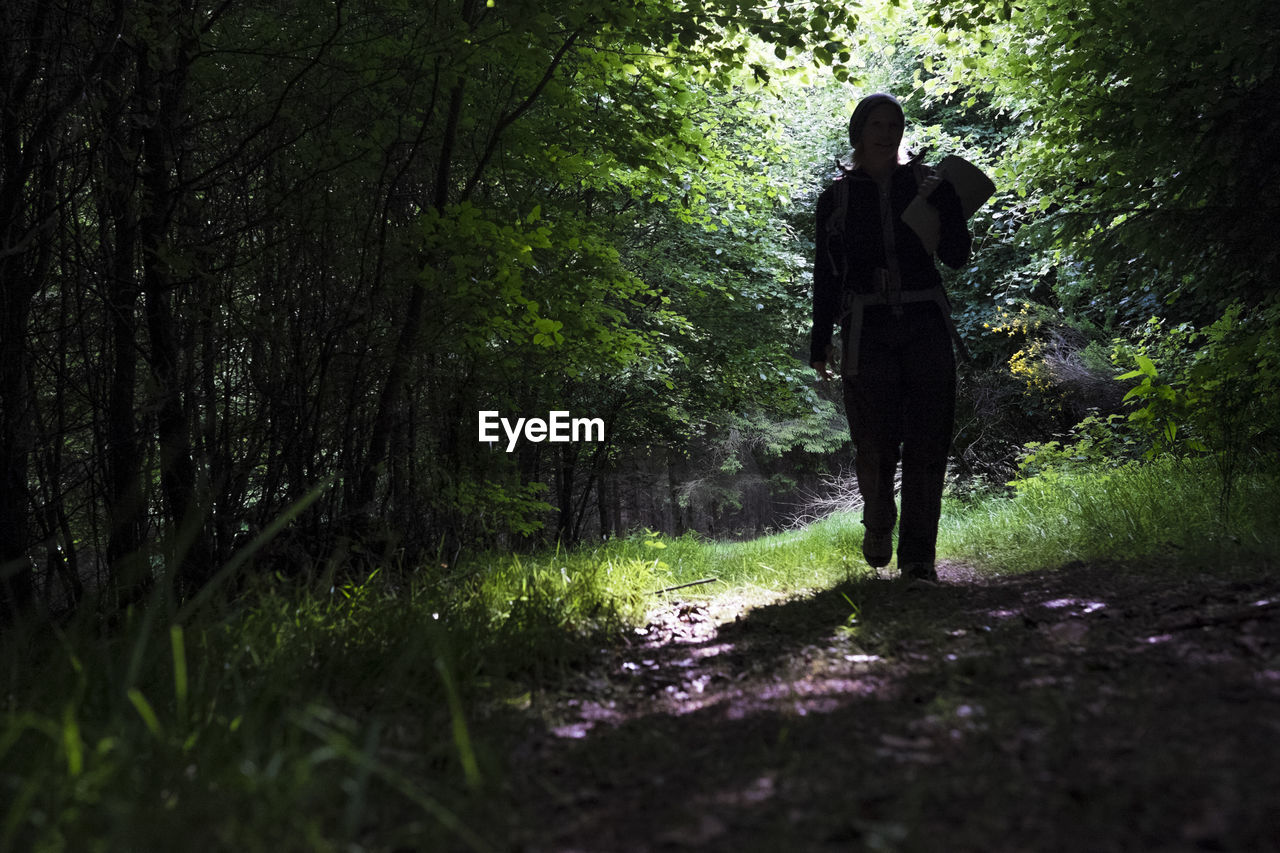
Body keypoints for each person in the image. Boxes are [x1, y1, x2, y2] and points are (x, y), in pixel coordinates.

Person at [810, 93, 972, 582]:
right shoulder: (835, 198)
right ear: (858, 131)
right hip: (868, 331)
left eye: (895, 124)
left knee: (928, 442)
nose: (887, 132)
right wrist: (821, 342)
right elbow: (825, 275)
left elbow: (959, 257)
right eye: (877, 124)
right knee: (874, 443)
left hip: (925, 324)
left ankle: (919, 559)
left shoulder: (930, 187)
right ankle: (878, 517)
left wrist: (935, 232)